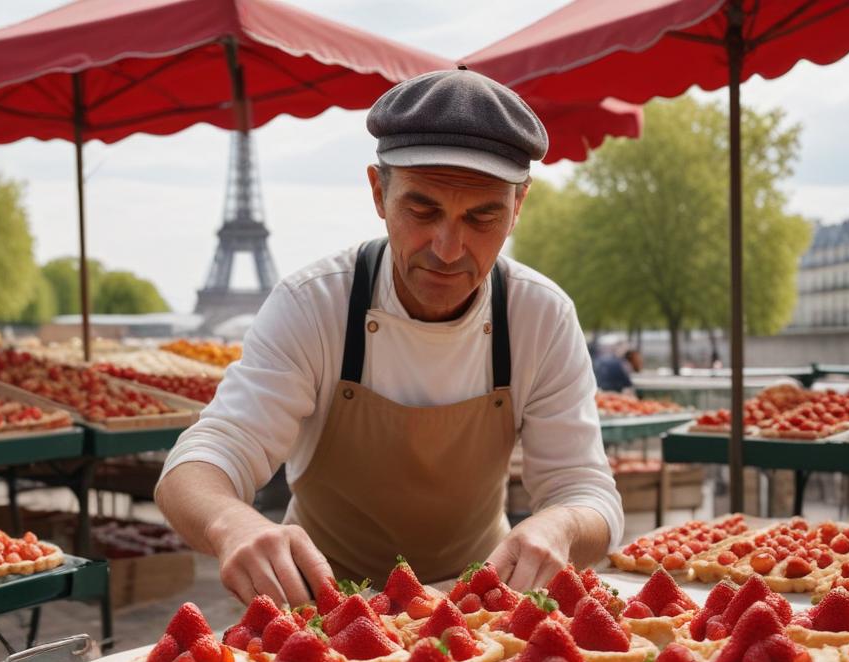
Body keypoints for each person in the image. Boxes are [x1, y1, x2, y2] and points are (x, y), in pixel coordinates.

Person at [155, 70, 623, 605]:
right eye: (422, 210)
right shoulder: (314, 302)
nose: (448, 248)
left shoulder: (541, 315)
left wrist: (559, 526)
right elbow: (205, 456)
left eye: (482, 216)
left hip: (478, 609)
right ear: (379, 192)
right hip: (321, 605)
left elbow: (586, 491)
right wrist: (231, 523)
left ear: (517, 207)